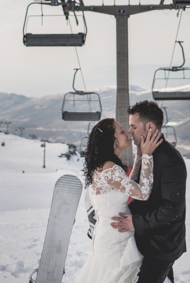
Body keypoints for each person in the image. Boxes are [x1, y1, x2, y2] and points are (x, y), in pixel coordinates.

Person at [74, 117, 163, 283]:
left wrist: (140, 154)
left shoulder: (104, 166)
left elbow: (130, 183)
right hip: (117, 243)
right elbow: (143, 192)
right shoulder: (110, 169)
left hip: (109, 237)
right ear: (112, 140)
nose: (127, 133)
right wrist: (148, 156)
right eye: (121, 131)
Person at [112, 101, 187, 283]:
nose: (130, 131)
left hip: (161, 247)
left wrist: (136, 222)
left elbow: (172, 208)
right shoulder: (146, 153)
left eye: (133, 126)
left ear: (150, 127)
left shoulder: (170, 159)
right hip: (144, 243)